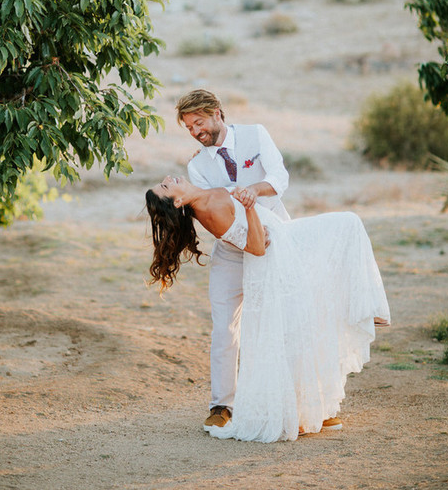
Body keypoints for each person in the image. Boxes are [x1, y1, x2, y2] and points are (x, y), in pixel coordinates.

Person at [145, 176, 391, 443]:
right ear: (177, 201)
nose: (169, 179)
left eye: (164, 181)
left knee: (346, 230)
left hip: (285, 234)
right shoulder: (210, 212)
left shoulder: (204, 194)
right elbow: (257, 247)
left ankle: (362, 314)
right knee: (348, 223)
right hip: (278, 252)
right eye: (166, 187)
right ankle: (366, 311)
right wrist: (250, 207)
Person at [174, 89, 290, 431]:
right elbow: (212, 205)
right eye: (188, 127)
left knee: (282, 320)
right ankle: (222, 404)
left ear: (217, 113)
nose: (195, 132)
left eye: (198, 122)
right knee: (224, 327)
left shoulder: (256, 134)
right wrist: (242, 219)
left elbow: (280, 178)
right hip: (230, 245)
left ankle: (296, 399)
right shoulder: (197, 165)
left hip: (275, 237)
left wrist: (255, 191)